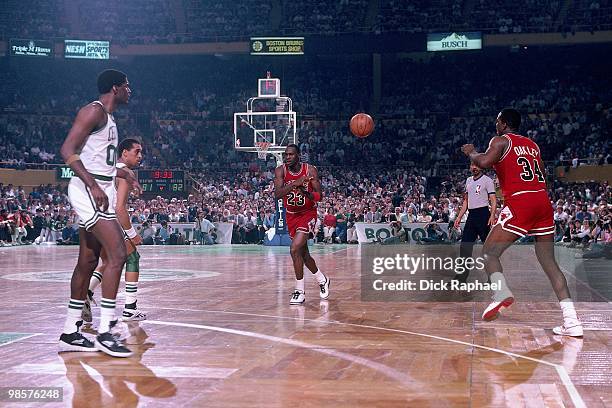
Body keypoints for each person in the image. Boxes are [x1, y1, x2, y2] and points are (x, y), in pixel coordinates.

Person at [461, 108, 582, 337]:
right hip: (542, 201)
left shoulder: (500, 141)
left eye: (497, 121)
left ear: (504, 124)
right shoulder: (533, 145)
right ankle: (572, 321)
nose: (495, 124)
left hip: (522, 201)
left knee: (489, 252)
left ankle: (500, 293)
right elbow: (542, 174)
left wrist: (471, 152)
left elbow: (484, 162)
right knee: (550, 263)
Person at [58, 69, 141, 357]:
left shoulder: (111, 118)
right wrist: (92, 185)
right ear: (115, 88)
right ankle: (106, 332)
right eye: (127, 86)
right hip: (86, 190)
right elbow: (67, 149)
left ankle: (70, 332)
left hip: (98, 188)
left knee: (88, 260)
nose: (130, 90)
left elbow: (102, 163)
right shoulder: (93, 112)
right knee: (118, 254)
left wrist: (124, 174)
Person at [84, 139, 146, 324]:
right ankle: (130, 308)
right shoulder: (126, 172)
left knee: (109, 261)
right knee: (133, 257)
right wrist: (132, 234)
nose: (140, 156)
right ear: (124, 153)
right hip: (111, 221)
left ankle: (85, 294)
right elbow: (119, 208)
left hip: (95, 221)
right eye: (137, 152)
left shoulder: (109, 169)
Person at [274, 144, 330, 305]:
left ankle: (299, 291)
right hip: (291, 215)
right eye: (286, 155)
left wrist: (306, 192)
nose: (287, 157)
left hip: (307, 214)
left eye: (291, 154)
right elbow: (278, 194)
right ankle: (322, 279)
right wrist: (295, 183)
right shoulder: (280, 171)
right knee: (303, 255)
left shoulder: (310, 170)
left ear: (299, 155)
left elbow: (319, 197)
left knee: (294, 249)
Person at [453, 162, 497, 283]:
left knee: (487, 249)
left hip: (483, 215)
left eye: (476, 166)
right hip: (471, 216)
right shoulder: (468, 181)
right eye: (472, 165)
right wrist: (459, 217)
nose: (474, 168)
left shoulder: (487, 180)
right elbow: (466, 202)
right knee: (465, 246)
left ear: (481, 167)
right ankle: (461, 278)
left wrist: (492, 215)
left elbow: (493, 200)